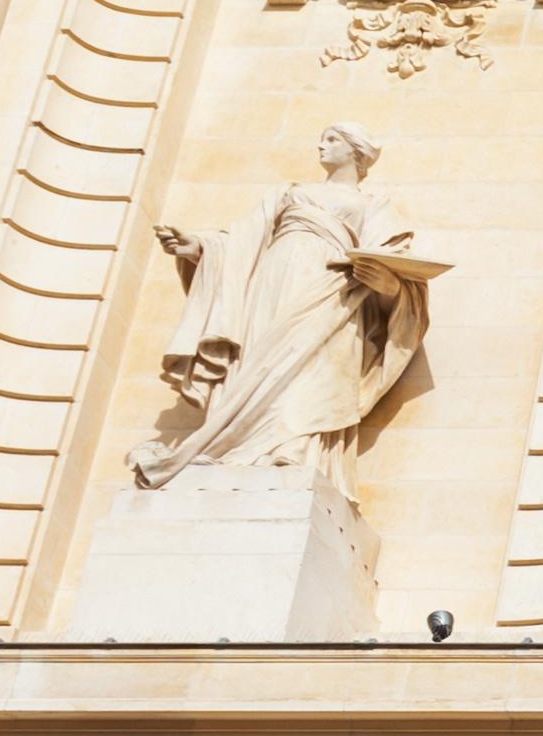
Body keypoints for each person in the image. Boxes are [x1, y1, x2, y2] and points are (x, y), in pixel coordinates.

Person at [136, 124, 437, 488]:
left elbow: (398, 276)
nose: (320, 145)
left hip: (334, 293)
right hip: (273, 285)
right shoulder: (288, 194)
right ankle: (241, 446)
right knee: (260, 361)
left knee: (316, 369)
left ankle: (294, 450)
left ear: (355, 153)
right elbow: (240, 242)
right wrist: (198, 247)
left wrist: (386, 283)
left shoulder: (374, 207)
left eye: (331, 140)